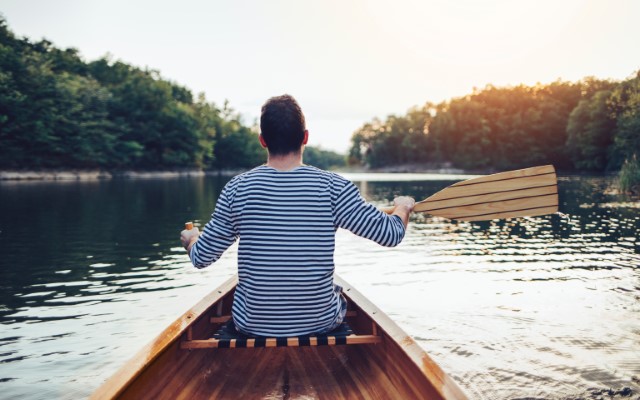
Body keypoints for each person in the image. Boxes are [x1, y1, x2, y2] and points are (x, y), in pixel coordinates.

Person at [180, 94, 414, 337]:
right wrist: (403, 207)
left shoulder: (237, 189)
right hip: (320, 325)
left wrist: (192, 239)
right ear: (305, 137)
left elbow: (201, 257)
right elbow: (391, 234)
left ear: (263, 141)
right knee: (338, 294)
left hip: (252, 326)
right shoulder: (334, 187)